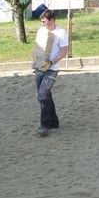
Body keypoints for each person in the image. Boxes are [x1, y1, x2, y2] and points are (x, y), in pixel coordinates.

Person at [32, 9, 69, 137]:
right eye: (42, 22)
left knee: (42, 95)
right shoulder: (41, 31)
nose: (42, 24)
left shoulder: (61, 33)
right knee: (45, 95)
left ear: (52, 20)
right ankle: (54, 121)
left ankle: (44, 125)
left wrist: (51, 62)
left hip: (51, 69)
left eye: (44, 22)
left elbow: (64, 51)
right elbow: (37, 48)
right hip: (39, 68)